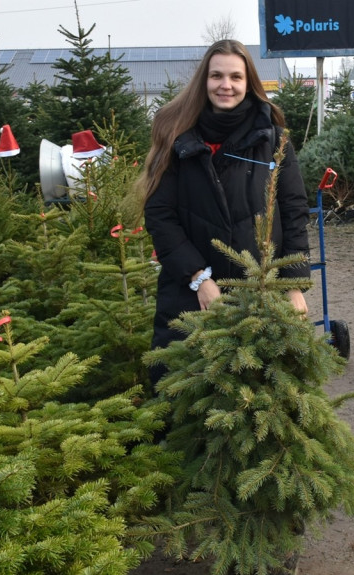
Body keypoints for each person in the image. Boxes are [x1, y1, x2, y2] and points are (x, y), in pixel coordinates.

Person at [139, 39, 310, 386]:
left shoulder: (274, 140)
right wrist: (198, 278)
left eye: (235, 76)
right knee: (180, 392)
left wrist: (293, 285)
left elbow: (293, 212)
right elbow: (160, 215)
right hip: (190, 295)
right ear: (204, 80)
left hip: (260, 294)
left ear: (249, 83)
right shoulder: (177, 137)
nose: (226, 85)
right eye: (217, 75)